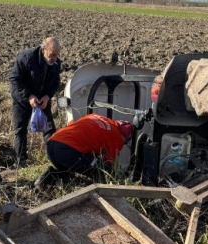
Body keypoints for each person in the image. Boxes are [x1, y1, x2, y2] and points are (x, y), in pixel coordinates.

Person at [34, 114, 134, 189]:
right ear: (124, 136)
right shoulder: (116, 136)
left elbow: (73, 123)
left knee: (66, 170)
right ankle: (100, 195)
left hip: (52, 143)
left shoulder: (97, 117)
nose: (123, 144)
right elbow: (108, 163)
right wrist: (114, 180)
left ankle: (44, 181)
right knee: (98, 172)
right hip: (67, 148)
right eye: (125, 141)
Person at [9, 37, 62, 166]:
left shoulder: (55, 63)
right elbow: (14, 80)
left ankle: (54, 160)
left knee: (49, 129)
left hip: (42, 100)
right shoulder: (26, 58)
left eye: (57, 55)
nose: (55, 58)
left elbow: (55, 82)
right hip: (22, 99)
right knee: (20, 130)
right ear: (44, 50)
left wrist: (47, 96)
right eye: (53, 54)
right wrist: (28, 96)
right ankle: (20, 162)